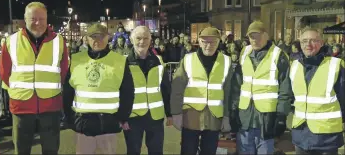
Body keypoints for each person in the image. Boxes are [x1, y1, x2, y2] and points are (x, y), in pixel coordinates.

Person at [0, 2, 69, 154]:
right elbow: (4, 72)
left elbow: (64, 71)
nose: (38, 23)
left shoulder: (59, 41)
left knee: (50, 150)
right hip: (21, 106)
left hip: (50, 105)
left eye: (41, 19)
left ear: (46, 19)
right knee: (22, 150)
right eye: (33, 19)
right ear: (25, 19)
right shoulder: (11, 41)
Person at [63, 23, 134, 154]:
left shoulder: (119, 61)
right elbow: (68, 91)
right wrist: (69, 117)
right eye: (93, 36)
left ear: (108, 38)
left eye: (101, 36)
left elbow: (128, 92)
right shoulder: (77, 60)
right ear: (87, 39)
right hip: (83, 125)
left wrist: (122, 118)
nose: (97, 40)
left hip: (109, 125)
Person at [231, 21, 292, 154]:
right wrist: (233, 109)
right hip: (245, 118)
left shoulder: (279, 56)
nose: (254, 39)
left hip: (266, 120)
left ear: (266, 35)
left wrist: (281, 116)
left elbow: (285, 89)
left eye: (257, 35)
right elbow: (237, 85)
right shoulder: (244, 53)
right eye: (251, 36)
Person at [171, 27, 233, 155]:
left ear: (218, 42)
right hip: (191, 116)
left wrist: (227, 116)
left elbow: (229, 92)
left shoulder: (226, 61)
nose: (208, 45)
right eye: (205, 41)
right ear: (199, 42)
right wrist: (176, 113)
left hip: (214, 117)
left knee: (209, 151)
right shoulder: (188, 60)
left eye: (213, 42)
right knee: (188, 151)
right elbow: (177, 88)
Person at [290, 27, 345, 155]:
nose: (308, 44)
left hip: (326, 138)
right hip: (301, 135)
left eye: (313, 40)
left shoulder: (335, 65)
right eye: (304, 41)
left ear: (321, 43)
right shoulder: (294, 66)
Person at [123, 26, 172, 155]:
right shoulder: (124, 63)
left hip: (155, 117)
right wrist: (122, 118)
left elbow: (165, 89)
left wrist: (170, 113)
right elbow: (120, 93)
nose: (142, 41)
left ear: (150, 40)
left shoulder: (159, 62)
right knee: (133, 152)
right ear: (131, 39)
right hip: (133, 118)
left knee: (156, 152)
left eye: (146, 38)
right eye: (138, 38)